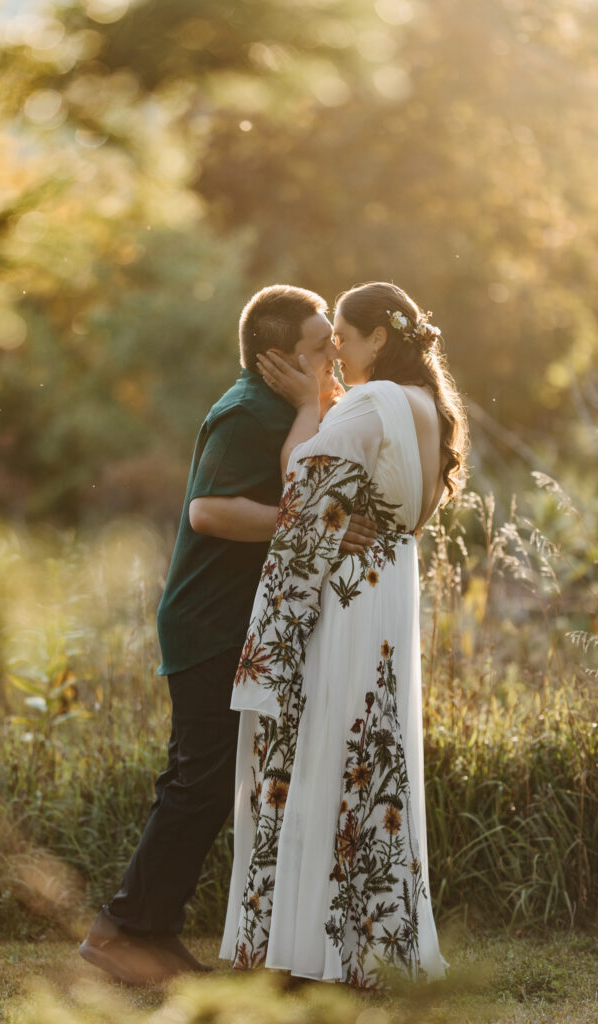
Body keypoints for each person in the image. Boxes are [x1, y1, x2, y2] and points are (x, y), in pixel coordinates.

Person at [79, 284, 377, 986]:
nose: (330, 355)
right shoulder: (246, 412)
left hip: (232, 621)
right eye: (316, 349)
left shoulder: (284, 406)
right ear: (278, 358)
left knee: (209, 782)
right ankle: (120, 933)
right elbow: (210, 512)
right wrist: (307, 525)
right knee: (199, 782)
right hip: (207, 621)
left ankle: (143, 930)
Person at [219, 281, 469, 989]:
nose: (333, 358)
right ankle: (365, 934)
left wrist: (305, 407)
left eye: (343, 343)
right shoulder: (427, 407)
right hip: (387, 588)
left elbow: (301, 489)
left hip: (350, 600)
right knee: (373, 746)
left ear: (378, 340)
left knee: (330, 749)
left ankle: (319, 947)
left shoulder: (369, 402)